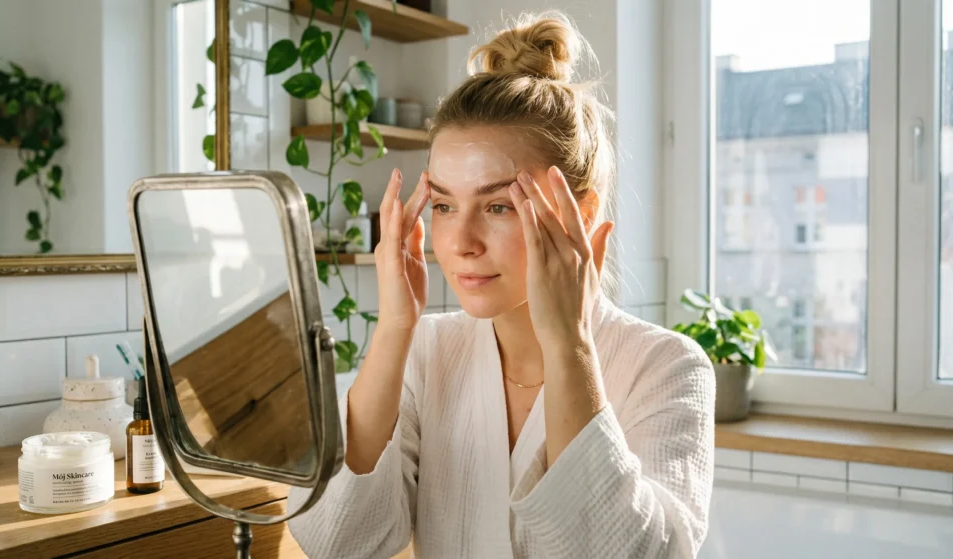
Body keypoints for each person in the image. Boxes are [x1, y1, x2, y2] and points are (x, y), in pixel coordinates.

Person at [287, 11, 714, 558]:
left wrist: (570, 345)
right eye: (442, 204)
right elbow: (337, 542)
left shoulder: (669, 368)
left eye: (497, 206)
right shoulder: (427, 354)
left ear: (579, 214)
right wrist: (394, 330)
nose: (461, 241)